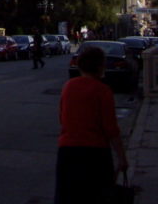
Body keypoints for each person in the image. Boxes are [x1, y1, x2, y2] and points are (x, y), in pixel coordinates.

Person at [55, 45, 128, 203]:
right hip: (95, 153)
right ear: (100, 67)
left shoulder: (68, 87)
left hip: (68, 152)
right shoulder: (103, 91)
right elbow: (111, 129)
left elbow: (63, 118)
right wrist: (122, 157)